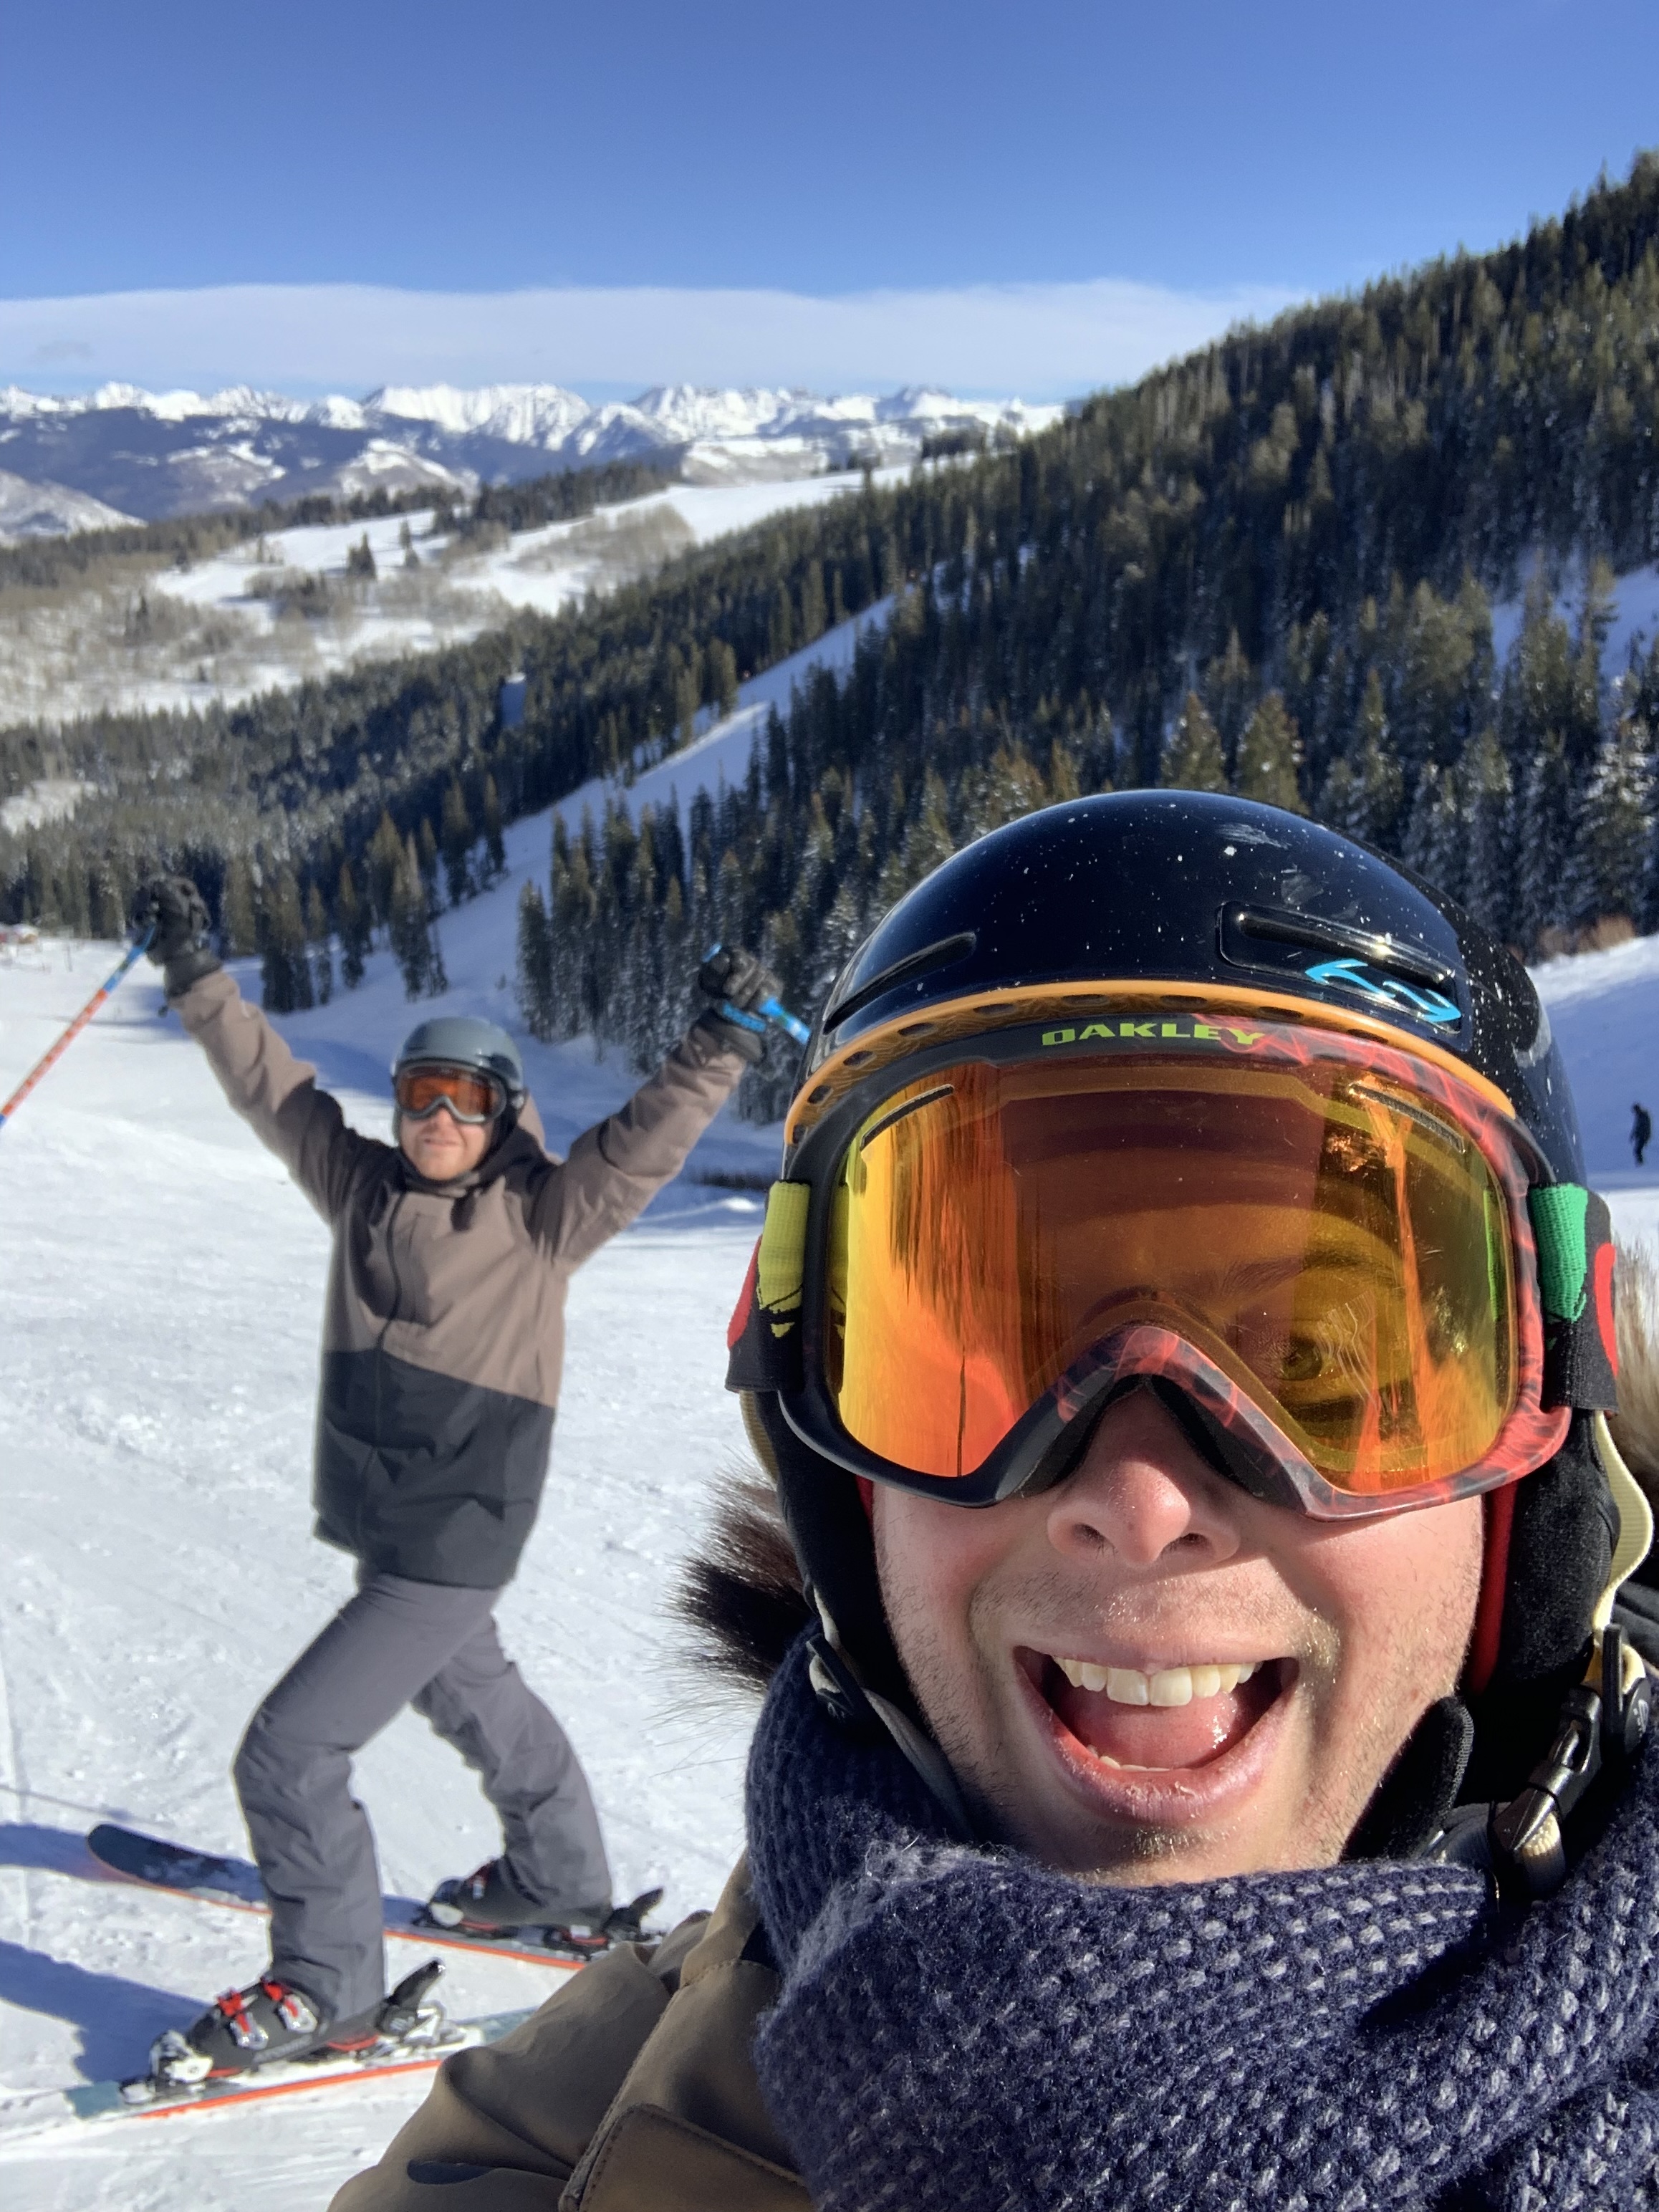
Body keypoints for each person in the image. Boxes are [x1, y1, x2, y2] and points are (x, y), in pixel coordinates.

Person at [332, 792, 1659, 2212]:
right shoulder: (558, 2152)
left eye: (1323, 1365)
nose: (1142, 1499)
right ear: (839, 1482)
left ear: (1542, 1464)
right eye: (991, 1354)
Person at [128, 874, 776, 2090]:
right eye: (422, 1091)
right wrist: (192, 971)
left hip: (452, 1533)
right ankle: (561, 1877)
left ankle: (329, 1983)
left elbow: (639, 1142)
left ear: (501, 1113)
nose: (437, 1115)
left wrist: (720, 1041)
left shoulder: (540, 1215)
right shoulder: (362, 1186)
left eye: (465, 1096)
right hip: (401, 1531)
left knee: (290, 1751)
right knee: (469, 1687)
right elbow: (273, 1085)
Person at [1633, 1100, 1650, 1166]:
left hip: (1644, 1136)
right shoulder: (1638, 1117)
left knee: (1638, 1150)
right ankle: (1640, 1163)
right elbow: (1636, 1127)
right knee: (1637, 1150)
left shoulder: (1644, 1116)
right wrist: (1633, 1135)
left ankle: (1641, 1165)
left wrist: (1646, 1136)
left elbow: (1647, 1127)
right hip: (1640, 1136)